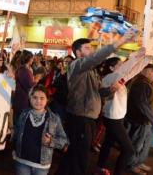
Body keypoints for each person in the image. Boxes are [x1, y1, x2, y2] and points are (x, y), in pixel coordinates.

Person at [56, 33, 133, 175]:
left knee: (73, 156)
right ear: (78, 52)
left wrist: (110, 90)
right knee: (81, 158)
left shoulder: (92, 71)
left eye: (91, 48)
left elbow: (99, 92)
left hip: (88, 118)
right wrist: (119, 42)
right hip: (80, 118)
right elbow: (94, 58)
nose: (91, 51)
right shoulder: (75, 65)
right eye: (87, 48)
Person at [95, 47, 147, 175]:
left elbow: (132, 72)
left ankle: (99, 167)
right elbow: (126, 69)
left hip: (116, 117)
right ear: (112, 68)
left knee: (108, 143)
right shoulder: (110, 77)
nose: (122, 66)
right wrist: (136, 55)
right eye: (119, 64)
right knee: (129, 150)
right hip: (113, 119)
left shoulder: (118, 78)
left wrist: (146, 58)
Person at [13, 84, 68, 175]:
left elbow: (64, 141)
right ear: (30, 99)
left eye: (42, 98)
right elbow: (16, 132)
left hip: (41, 166)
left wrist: (51, 141)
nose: (38, 101)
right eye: (35, 97)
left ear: (47, 100)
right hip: (21, 161)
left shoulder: (54, 118)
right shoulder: (23, 114)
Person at [125, 64, 153, 175]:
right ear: (145, 71)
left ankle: (138, 161)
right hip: (140, 120)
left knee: (145, 142)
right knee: (137, 143)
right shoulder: (141, 84)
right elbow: (142, 104)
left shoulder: (145, 83)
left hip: (145, 120)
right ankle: (131, 164)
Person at [13, 50, 36, 122]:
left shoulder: (25, 69)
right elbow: (29, 86)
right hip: (22, 100)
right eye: (32, 58)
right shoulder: (24, 70)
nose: (33, 60)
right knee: (20, 122)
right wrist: (36, 80)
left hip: (22, 100)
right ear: (28, 59)